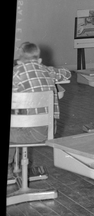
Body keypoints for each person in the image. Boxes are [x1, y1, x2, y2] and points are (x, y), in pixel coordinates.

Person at [9, 42, 71, 179]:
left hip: (28, 131)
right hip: (48, 130)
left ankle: (12, 167)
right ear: (39, 60)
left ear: (19, 61)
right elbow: (67, 73)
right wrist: (48, 69)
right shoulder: (47, 70)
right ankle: (15, 165)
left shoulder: (17, 72)